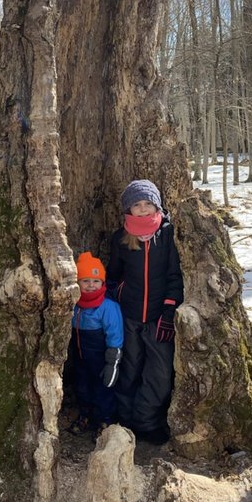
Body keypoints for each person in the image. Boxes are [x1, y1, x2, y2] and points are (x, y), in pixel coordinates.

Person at [107, 178, 183, 445]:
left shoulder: (168, 235)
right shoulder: (122, 238)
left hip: (158, 318)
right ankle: (125, 421)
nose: (142, 209)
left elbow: (175, 276)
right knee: (129, 370)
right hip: (129, 318)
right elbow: (113, 276)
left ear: (157, 205)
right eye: (137, 205)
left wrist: (169, 313)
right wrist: (120, 294)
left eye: (148, 203)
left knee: (160, 374)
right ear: (128, 209)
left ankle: (147, 421)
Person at [68, 252, 124, 436]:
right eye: (85, 281)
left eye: (96, 281)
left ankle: (105, 421)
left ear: (103, 283)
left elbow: (115, 336)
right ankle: (85, 415)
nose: (91, 285)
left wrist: (112, 363)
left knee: (104, 390)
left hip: (101, 359)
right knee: (82, 387)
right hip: (81, 357)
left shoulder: (108, 307)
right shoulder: (74, 305)